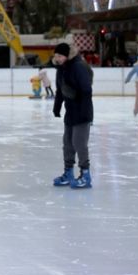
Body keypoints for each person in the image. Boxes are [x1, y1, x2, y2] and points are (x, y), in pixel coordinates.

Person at [51, 42, 95, 189]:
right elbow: (60, 90)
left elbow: (86, 89)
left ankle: (85, 175)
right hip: (70, 111)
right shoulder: (61, 69)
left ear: (67, 55)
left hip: (82, 111)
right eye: (56, 55)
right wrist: (57, 107)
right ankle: (68, 173)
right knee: (68, 144)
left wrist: (76, 96)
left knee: (79, 144)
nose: (57, 58)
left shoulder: (78, 66)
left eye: (60, 55)